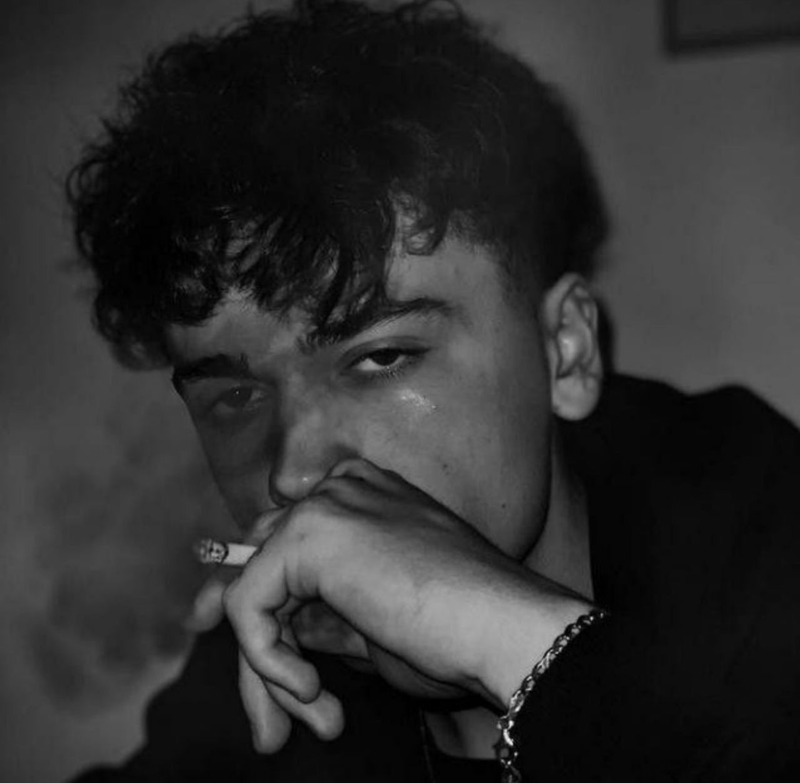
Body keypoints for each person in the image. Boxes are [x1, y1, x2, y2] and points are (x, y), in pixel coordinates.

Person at [67, 1, 800, 780]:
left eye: (381, 357)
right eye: (236, 399)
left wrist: (519, 643)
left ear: (566, 351)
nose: (295, 473)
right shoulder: (271, 653)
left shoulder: (760, 542)